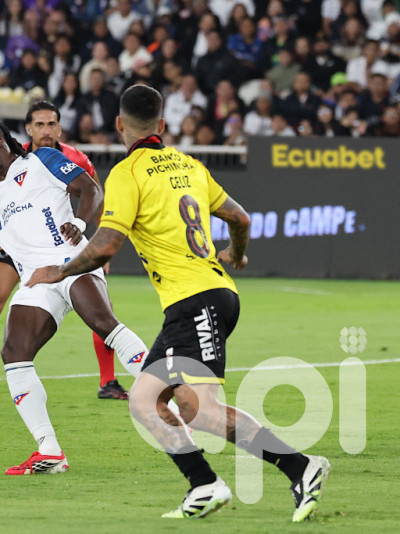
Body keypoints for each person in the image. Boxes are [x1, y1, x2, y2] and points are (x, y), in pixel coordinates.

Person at [26, 85, 330, 521]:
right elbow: (239, 218)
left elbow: (107, 244)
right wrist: (236, 253)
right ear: (163, 126)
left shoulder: (128, 173)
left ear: (118, 125)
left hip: (195, 301)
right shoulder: (190, 166)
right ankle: (220, 483)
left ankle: (279, 470)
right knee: (180, 405)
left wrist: (60, 270)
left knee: (162, 404)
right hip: (213, 294)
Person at [0, 116, 153, 475]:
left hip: (72, 260)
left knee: (103, 323)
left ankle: (166, 389)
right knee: (14, 353)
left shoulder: (41, 161)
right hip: (36, 282)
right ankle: (49, 451)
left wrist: (80, 224)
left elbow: (91, 190)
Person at [0, 101, 127, 403]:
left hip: (59, 243)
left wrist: (101, 247)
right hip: (14, 243)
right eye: (40, 124)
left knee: (103, 308)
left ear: (59, 127)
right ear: (28, 129)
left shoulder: (73, 157)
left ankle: (108, 380)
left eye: (52, 124)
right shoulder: (3, 154)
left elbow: (97, 195)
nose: (46, 129)